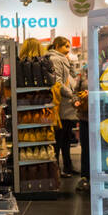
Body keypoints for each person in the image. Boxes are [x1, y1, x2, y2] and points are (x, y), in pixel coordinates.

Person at [47, 36, 78, 176]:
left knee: (65, 138)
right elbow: (58, 82)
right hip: (62, 105)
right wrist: (72, 95)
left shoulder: (63, 59)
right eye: (66, 46)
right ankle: (57, 169)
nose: (68, 49)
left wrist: (70, 62)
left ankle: (67, 166)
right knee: (59, 139)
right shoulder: (55, 59)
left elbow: (73, 75)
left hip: (67, 105)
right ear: (57, 46)